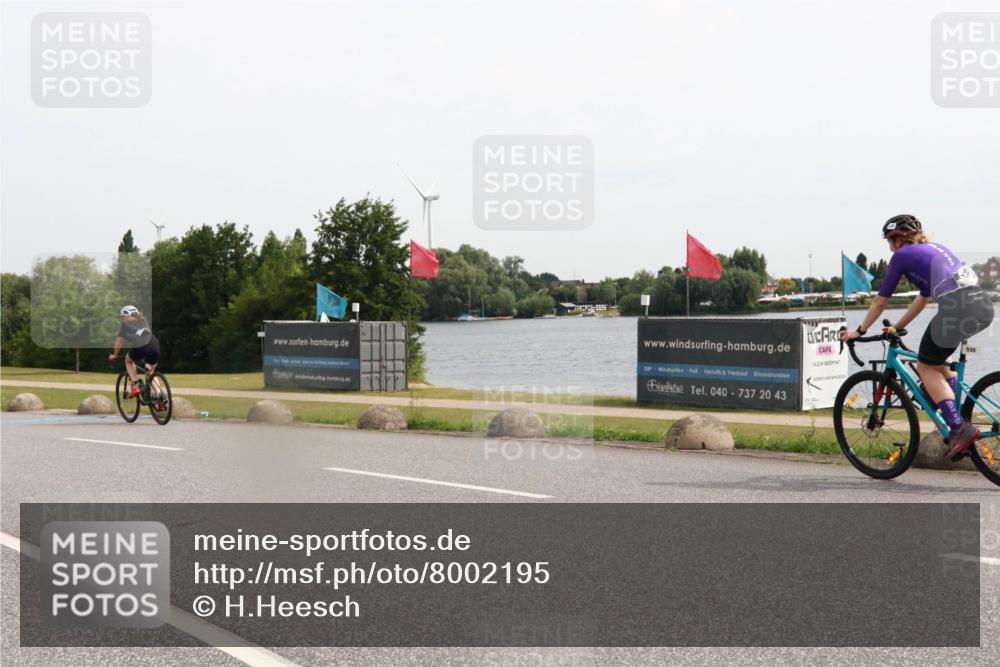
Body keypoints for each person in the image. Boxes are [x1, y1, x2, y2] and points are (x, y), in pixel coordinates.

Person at [839, 214, 995, 460]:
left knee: (925, 366)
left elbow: (880, 301)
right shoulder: (936, 249)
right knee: (940, 362)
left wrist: (859, 331)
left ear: (897, 239)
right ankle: (956, 417)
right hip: (983, 307)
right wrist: (898, 326)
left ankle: (959, 428)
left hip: (957, 308)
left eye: (889, 242)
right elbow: (924, 297)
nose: (890, 248)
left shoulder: (902, 255)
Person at [108, 305, 161, 398]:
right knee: (150, 372)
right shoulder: (143, 320)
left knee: (128, 360)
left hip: (141, 347)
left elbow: (118, 343)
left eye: (123, 316)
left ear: (127, 315)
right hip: (155, 346)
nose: (122, 319)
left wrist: (115, 355)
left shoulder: (124, 325)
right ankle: (159, 396)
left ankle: (136, 385)